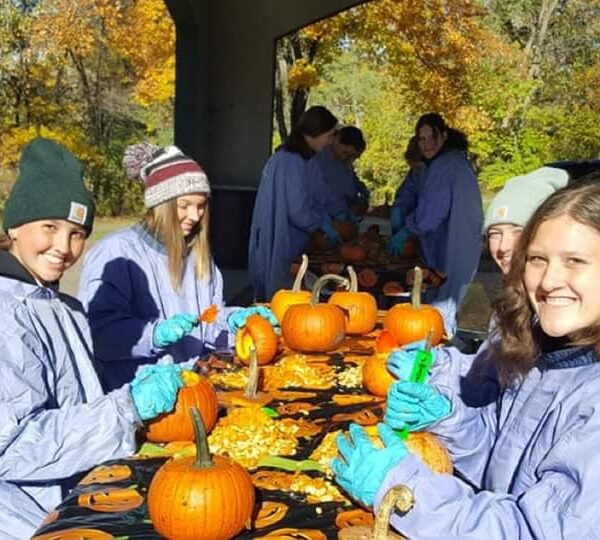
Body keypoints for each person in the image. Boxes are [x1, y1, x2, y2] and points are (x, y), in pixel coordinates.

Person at [333, 179, 600, 538]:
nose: (549, 280)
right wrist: (450, 421)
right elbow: (502, 466)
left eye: (575, 261)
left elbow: (532, 531)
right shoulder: (548, 354)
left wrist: (403, 488)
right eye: (538, 259)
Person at [0, 138, 184, 538]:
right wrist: (125, 409)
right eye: (50, 227)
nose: (63, 248)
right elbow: (13, 448)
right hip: (26, 519)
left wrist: (131, 392)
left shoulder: (64, 307)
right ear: (14, 226)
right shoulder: (5, 314)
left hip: (79, 494)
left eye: (77, 233)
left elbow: (76, 397)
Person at [78, 143, 276, 391]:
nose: (195, 215)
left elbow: (209, 321)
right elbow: (99, 335)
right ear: (161, 204)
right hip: (141, 395)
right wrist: (154, 335)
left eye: (201, 206)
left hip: (196, 388)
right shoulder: (116, 253)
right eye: (184, 205)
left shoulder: (199, 257)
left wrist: (236, 321)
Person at [388, 113, 484, 336]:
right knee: (445, 304)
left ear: (444, 135)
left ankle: (432, 359)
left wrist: (408, 229)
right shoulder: (451, 161)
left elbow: (430, 214)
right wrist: (400, 208)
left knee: (440, 311)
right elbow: (412, 190)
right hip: (456, 242)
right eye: (422, 139)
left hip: (452, 243)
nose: (427, 144)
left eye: (432, 137)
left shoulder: (445, 165)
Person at [248, 105, 342, 300]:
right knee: (283, 299)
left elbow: (315, 192)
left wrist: (330, 212)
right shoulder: (290, 161)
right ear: (316, 132)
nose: (331, 142)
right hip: (281, 243)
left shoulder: (302, 159)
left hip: (288, 241)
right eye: (330, 135)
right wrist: (320, 223)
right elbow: (298, 211)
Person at [306, 125, 369, 221]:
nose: (346, 158)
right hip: (320, 216)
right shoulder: (318, 156)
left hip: (343, 214)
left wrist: (358, 190)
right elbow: (319, 192)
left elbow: (349, 181)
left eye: (352, 157)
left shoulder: (346, 162)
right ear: (337, 139)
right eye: (345, 153)